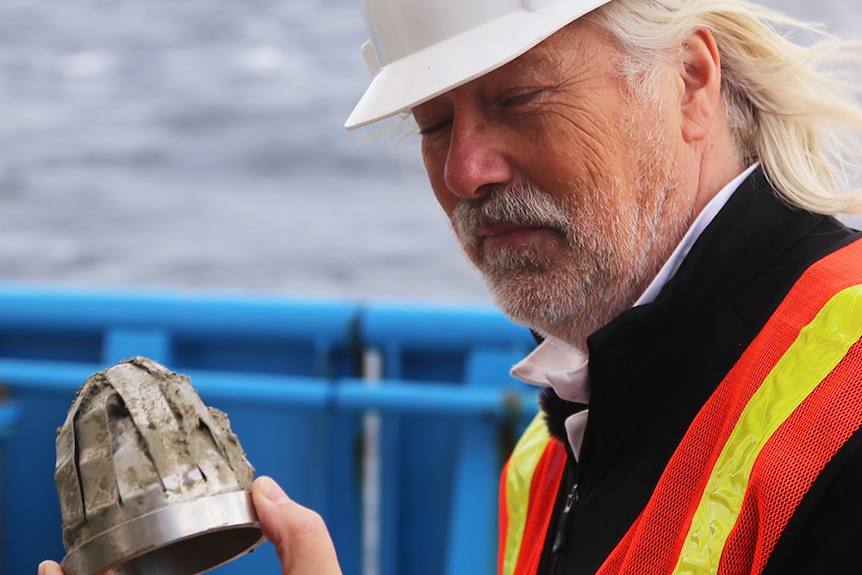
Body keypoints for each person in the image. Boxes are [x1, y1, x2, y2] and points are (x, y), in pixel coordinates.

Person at [40, 0, 862, 573]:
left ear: (688, 79)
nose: (466, 170)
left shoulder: (843, 408)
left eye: (521, 99)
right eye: (434, 125)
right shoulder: (549, 452)